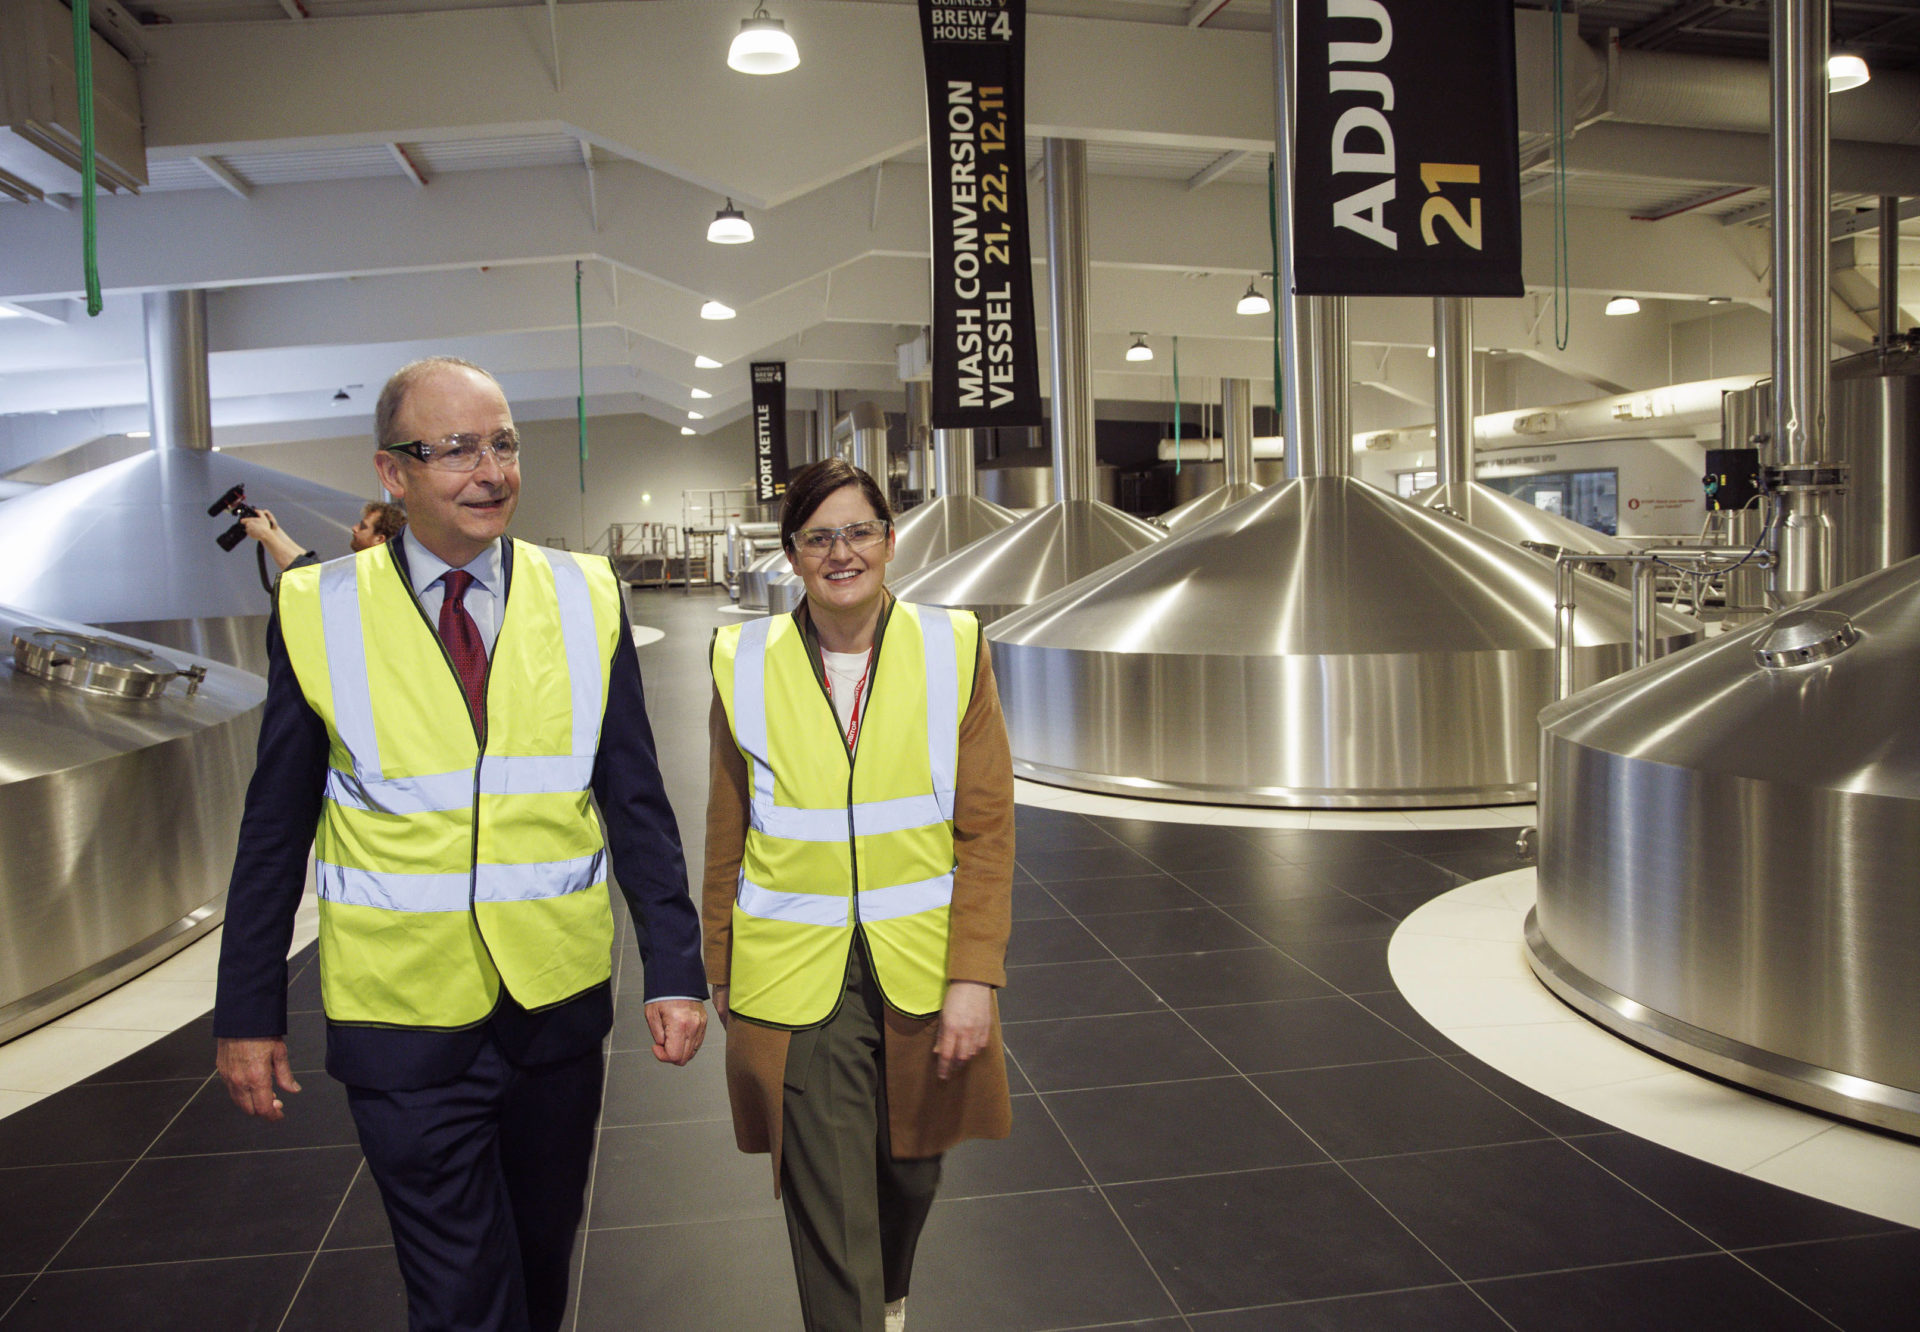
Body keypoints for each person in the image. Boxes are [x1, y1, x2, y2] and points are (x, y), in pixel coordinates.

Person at [213, 356, 708, 1332]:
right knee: (460, 1297)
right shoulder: (319, 611)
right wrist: (247, 1008)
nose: (491, 471)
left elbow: (635, 796)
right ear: (392, 472)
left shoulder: (585, 594)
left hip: (555, 1010)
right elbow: (274, 826)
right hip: (401, 1019)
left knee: (538, 1262)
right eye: (456, 450)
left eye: (504, 443)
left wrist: (674, 966)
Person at [704, 458, 1014, 1332]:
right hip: (795, 978)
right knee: (829, 1202)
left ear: (890, 537)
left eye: (859, 531)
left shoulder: (954, 648)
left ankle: (887, 1300)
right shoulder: (743, 658)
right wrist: (719, 966)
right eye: (819, 537)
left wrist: (973, 976)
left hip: (917, 965)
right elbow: (726, 828)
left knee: (909, 1171)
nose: (842, 552)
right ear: (793, 554)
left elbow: (987, 831)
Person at [242, 498, 406, 572]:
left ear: (379, 539)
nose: (354, 528)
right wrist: (275, 532)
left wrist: (266, 536)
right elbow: (315, 570)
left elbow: (310, 578)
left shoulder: (374, 573)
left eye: (363, 527)